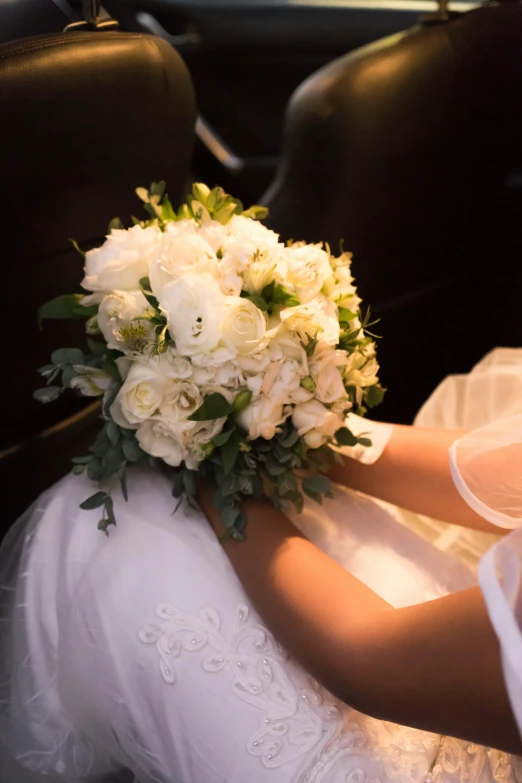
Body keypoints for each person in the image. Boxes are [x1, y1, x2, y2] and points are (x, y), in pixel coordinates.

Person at [1, 348, 521, 783]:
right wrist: (303, 426)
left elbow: (372, 662)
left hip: (388, 677)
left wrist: (215, 471)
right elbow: (502, 476)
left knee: (102, 517)